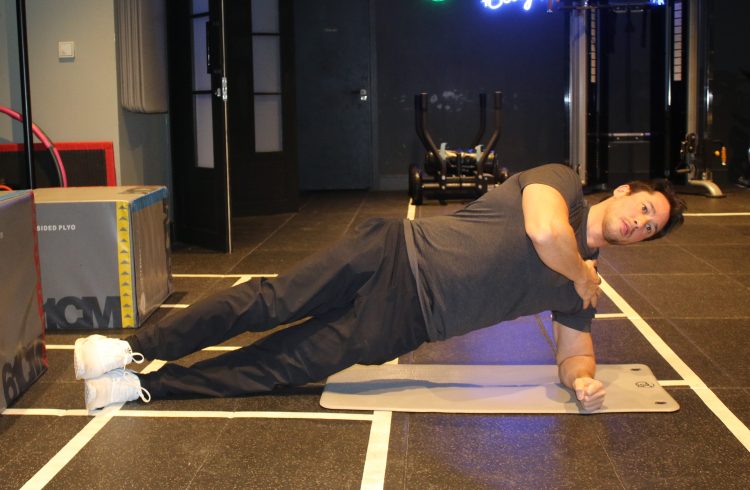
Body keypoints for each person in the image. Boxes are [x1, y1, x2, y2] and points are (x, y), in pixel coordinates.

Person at [74, 163, 686, 413]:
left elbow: (573, 351)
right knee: (269, 300)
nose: (640, 223)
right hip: (391, 252)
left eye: (650, 229)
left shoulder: (582, 295)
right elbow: (546, 231)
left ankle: (141, 385)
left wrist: (581, 379)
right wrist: (582, 273)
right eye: (644, 208)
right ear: (626, 191)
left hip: (409, 320)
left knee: (282, 365)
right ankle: (130, 347)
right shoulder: (563, 183)